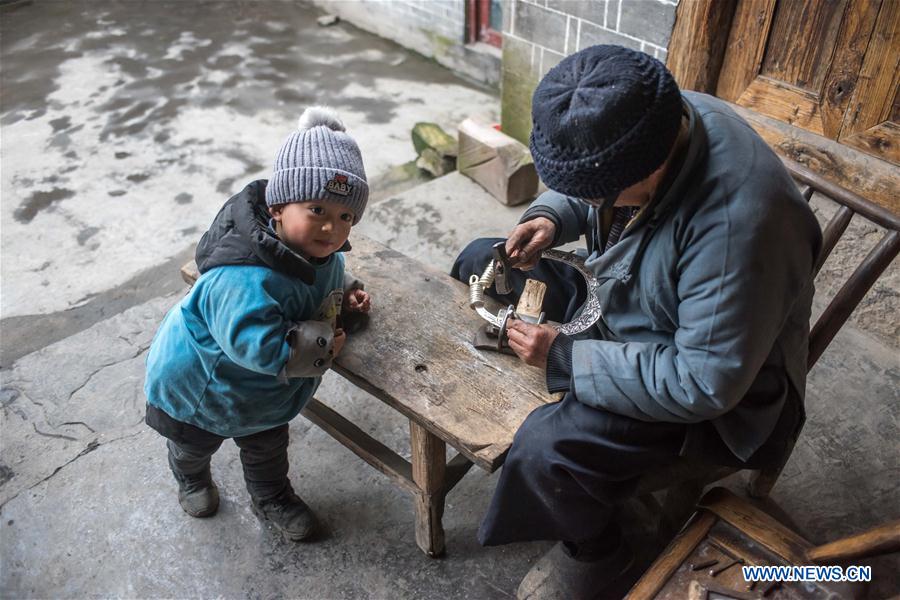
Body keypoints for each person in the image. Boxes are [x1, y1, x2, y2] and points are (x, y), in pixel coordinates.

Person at [452, 45, 822, 599]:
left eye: (590, 194)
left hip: (713, 387)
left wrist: (565, 356)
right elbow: (598, 176)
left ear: (648, 168)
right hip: (637, 296)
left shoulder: (739, 229)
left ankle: (601, 550)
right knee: (482, 260)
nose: (585, 199)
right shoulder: (651, 112)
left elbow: (705, 382)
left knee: (547, 448)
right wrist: (552, 215)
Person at [144, 106, 372, 542]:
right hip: (198, 389)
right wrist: (327, 344)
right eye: (318, 208)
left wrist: (348, 293)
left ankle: (272, 497)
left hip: (260, 394)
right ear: (278, 207)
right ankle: (190, 478)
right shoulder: (241, 277)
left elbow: (326, 277)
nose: (331, 226)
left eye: (346, 216)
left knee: (267, 449)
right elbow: (261, 347)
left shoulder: (321, 250)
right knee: (194, 447)